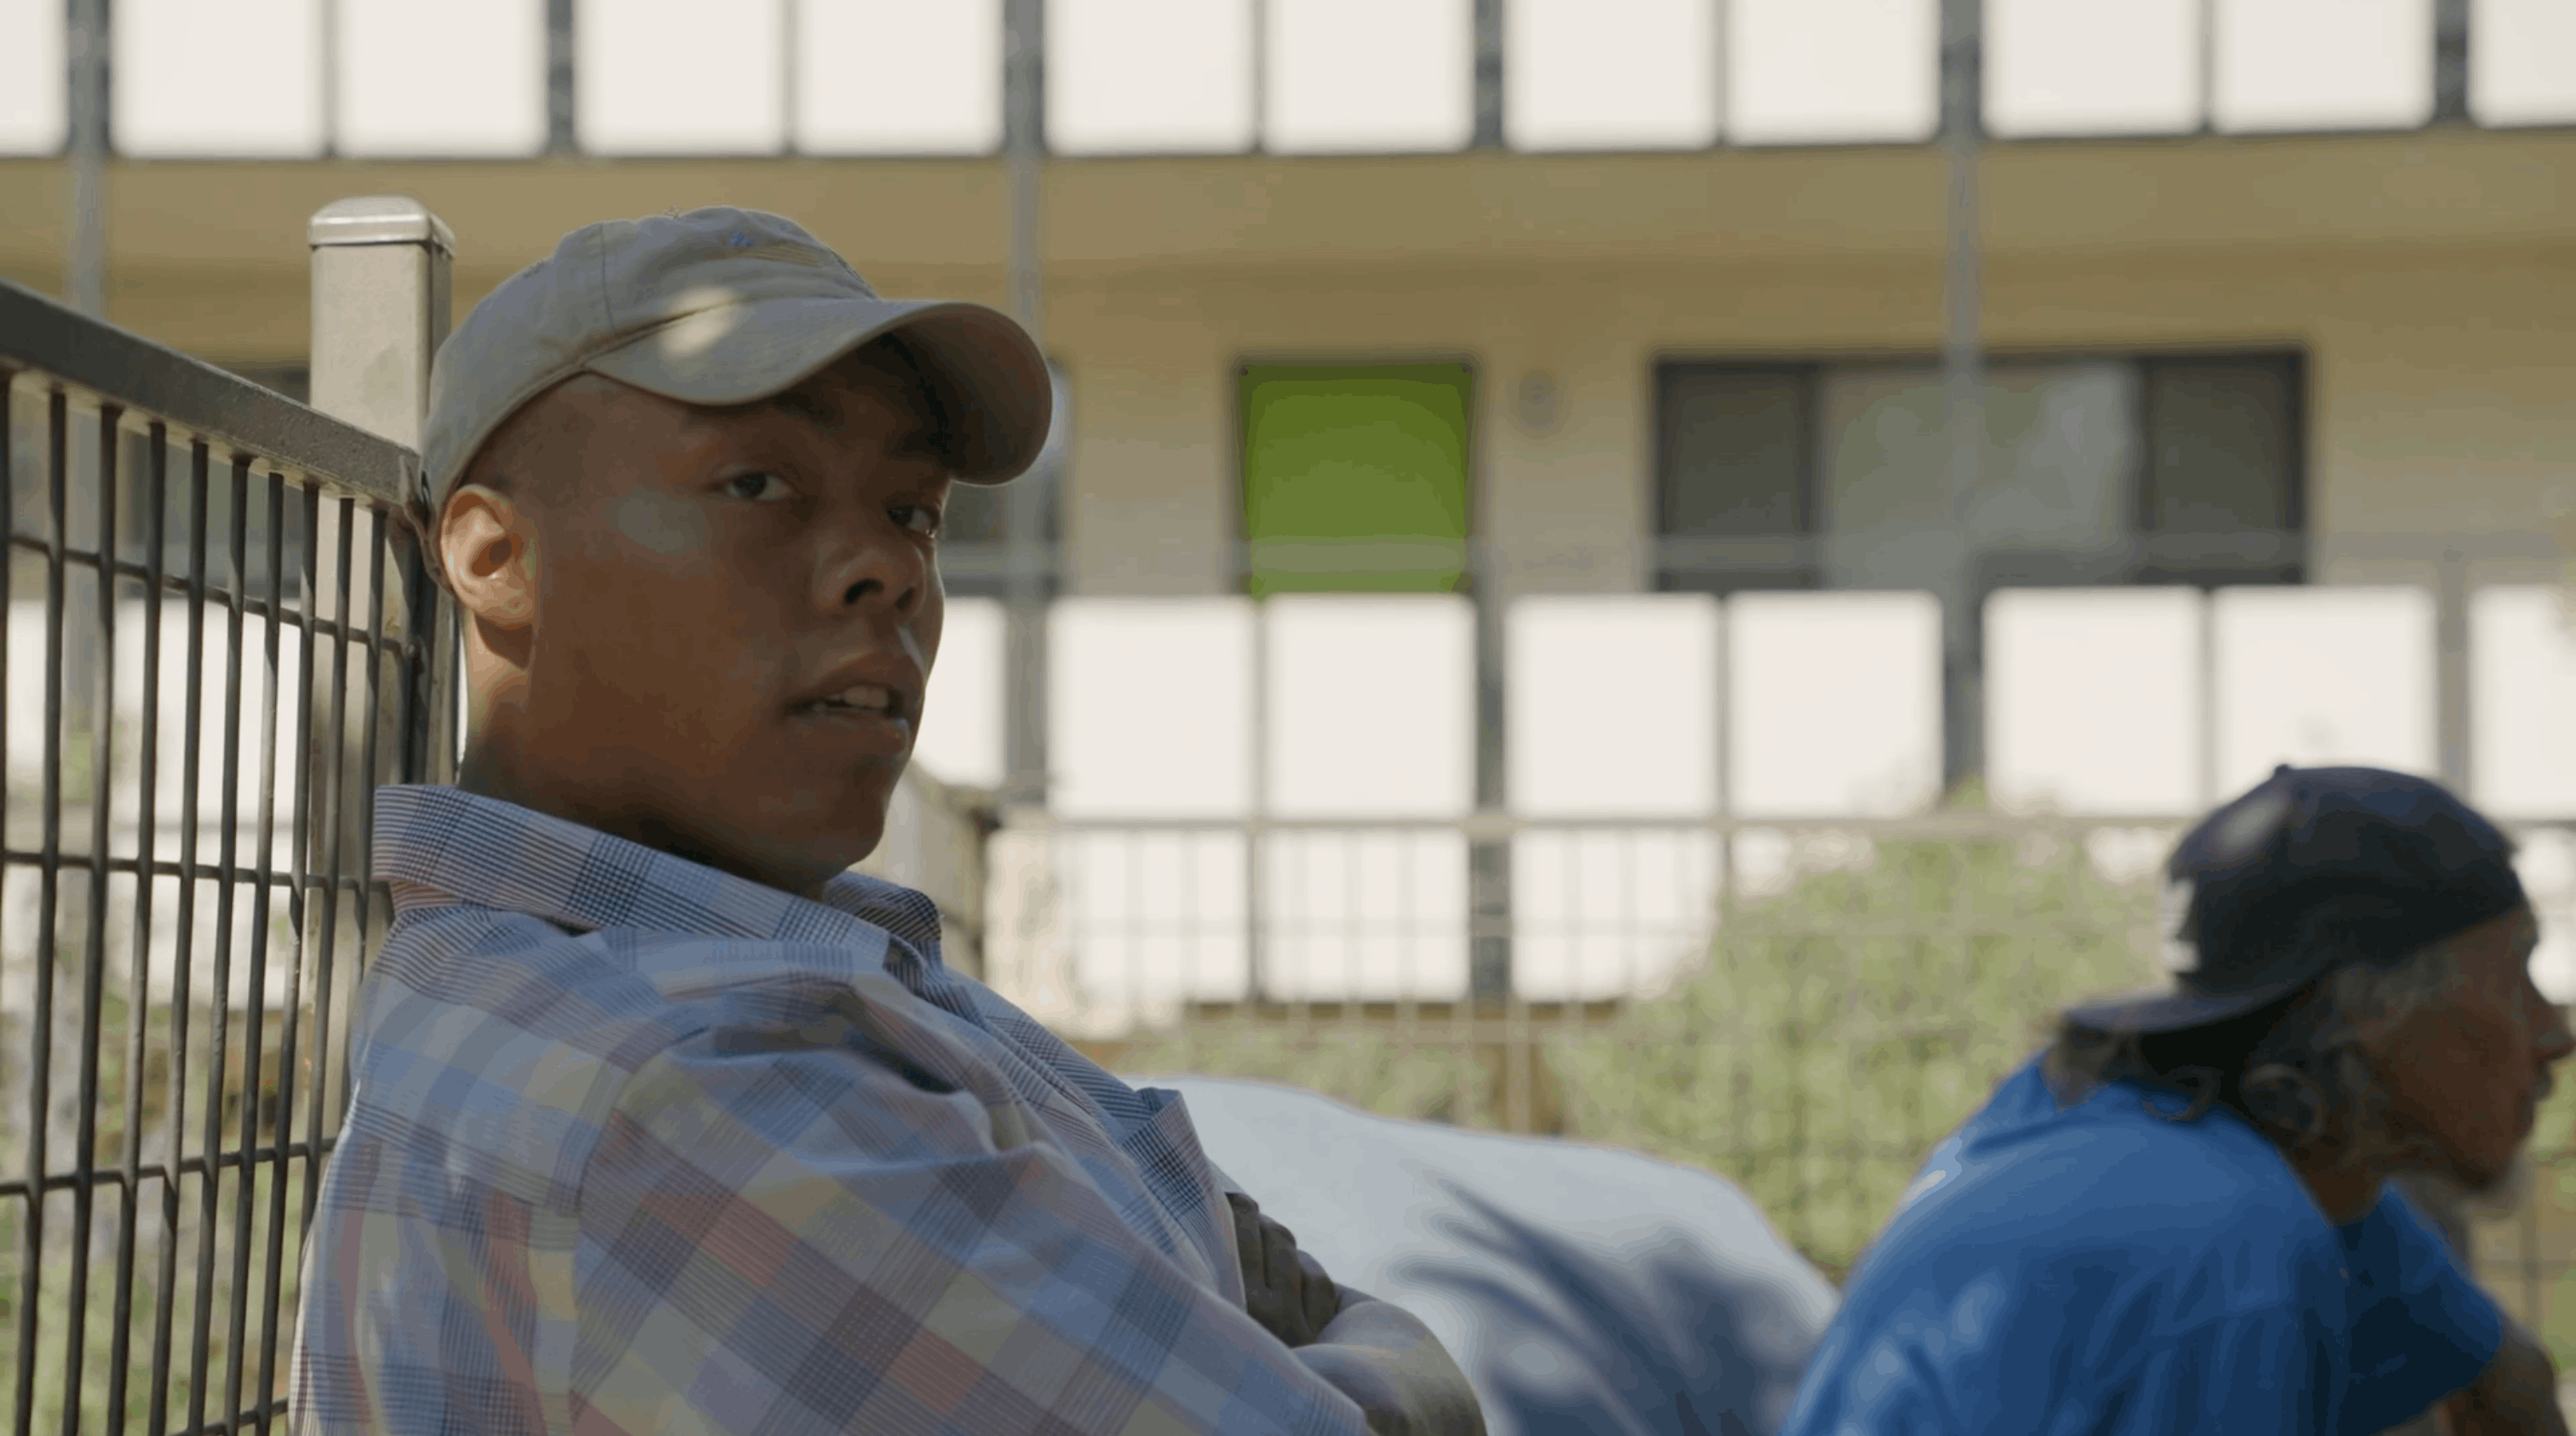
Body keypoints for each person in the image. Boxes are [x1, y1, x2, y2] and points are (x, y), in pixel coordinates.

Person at [288, 207, 1484, 1436]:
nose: (887, 566)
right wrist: (1406, 1360)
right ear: (496, 556)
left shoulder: (729, 960)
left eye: (913, 508)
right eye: (759, 483)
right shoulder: (699, 1083)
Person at [1781, 765, 2573, 1436]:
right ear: (2370, 1010)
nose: (2554, 1036)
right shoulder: (2230, 1247)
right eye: (2516, 976)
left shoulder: (2114, 1119)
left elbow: (2509, 1388)